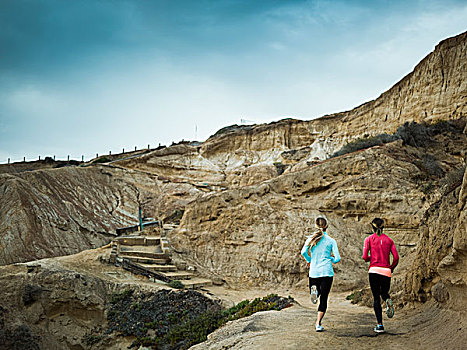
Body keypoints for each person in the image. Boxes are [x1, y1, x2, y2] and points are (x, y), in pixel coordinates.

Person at [301, 216, 341, 332]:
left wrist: (309, 260)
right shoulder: (331, 241)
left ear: (315, 226)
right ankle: (318, 323)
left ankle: (314, 291)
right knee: (324, 298)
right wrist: (331, 260)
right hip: (327, 271)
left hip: (314, 271)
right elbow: (337, 258)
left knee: (316, 292)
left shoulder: (311, 239)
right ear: (327, 226)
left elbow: (303, 252)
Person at [362, 218, 399, 333]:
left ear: (372, 227)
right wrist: (391, 268)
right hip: (386, 271)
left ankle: (380, 325)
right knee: (384, 293)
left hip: (374, 270)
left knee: (376, 298)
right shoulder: (389, 240)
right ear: (383, 227)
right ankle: (387, 299)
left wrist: (371, 258)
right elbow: (396, 257)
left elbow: (364, 256)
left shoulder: (369, 239)